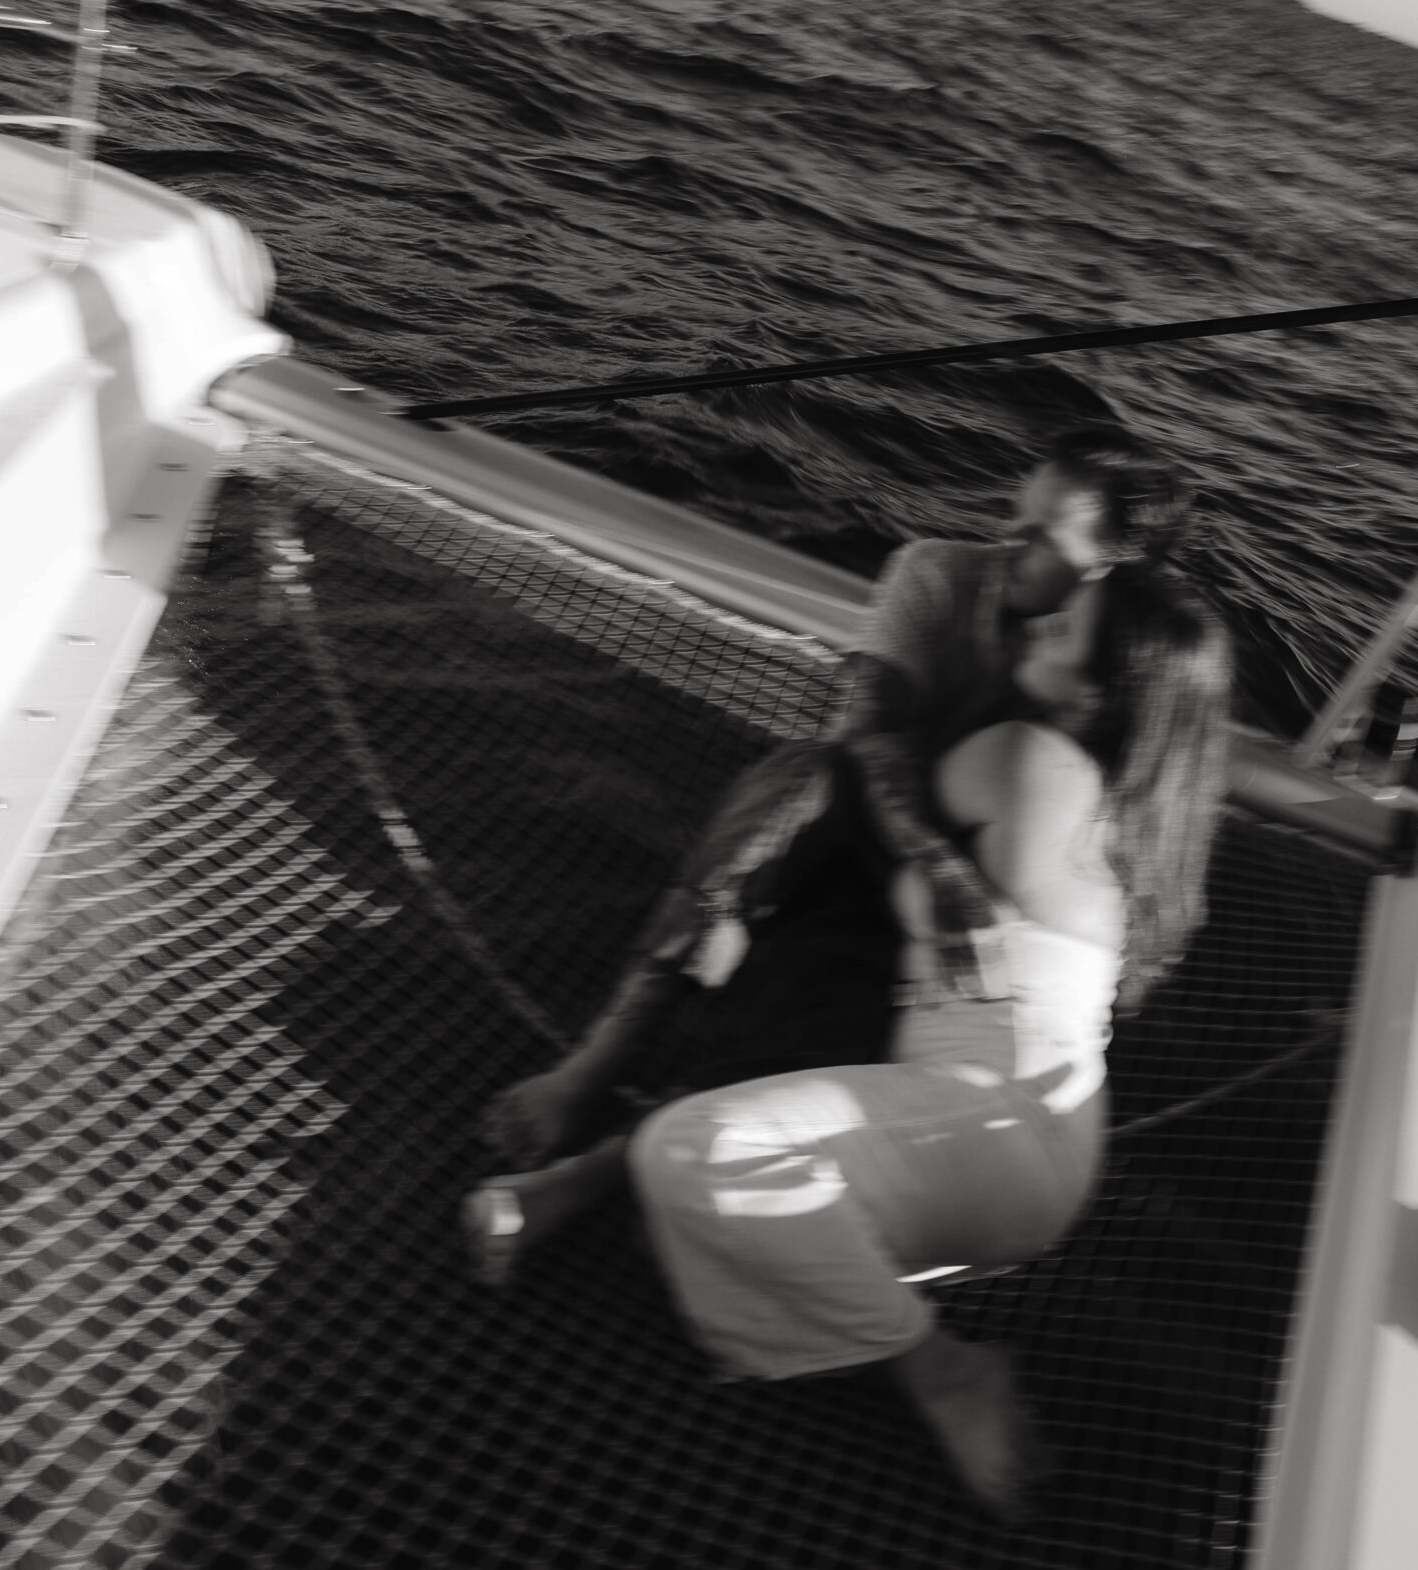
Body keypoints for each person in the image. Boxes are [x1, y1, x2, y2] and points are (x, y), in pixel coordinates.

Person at [466, 558, 1233, 1517]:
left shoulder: (1029, 759)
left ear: (1098, 690)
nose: (1034, 625)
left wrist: (747, 896)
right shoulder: (1134, 820)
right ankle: (838, 1287)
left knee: (699, 1150)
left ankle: (943, 1370)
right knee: (743, 1159)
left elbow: (864, 764)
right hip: (1004, 1156)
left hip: (989, 1124)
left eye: (1063, 629)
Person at [478, 427, 1193, 1173]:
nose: (1005, 542)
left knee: (854, 1021)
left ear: (1116, 571)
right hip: (866, 834)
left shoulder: (1134, 692)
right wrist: (934, 859)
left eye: (1041, 538)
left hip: (954, 922)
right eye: (1014, 515)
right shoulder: (935, 573)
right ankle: (602, 1055)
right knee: (806, 772)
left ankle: (619, 1161)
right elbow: (867, 733)